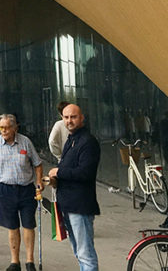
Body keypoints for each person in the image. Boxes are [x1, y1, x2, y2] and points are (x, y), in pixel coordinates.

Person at [0, 113, 43, 271]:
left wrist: (39, 181)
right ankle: (14, 262)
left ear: (15, 127)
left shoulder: (25, 142)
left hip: (26, 189)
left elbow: (37, 164)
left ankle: (30, 262)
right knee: (12, 226)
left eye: (7, 127)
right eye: (1, 128)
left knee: (28, 225)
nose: (4, 131)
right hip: (5, 190)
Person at [47, 104, 100, 271]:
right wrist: (56, 179)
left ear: (82, 118)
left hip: (80, 206)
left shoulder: (88, 142)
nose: (69, 121)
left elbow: (85, 173)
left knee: (85, 254)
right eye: (66, 117)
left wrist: (59, 171)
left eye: (73, 117)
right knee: (78, 251)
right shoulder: (71, 139)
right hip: (68, 205)